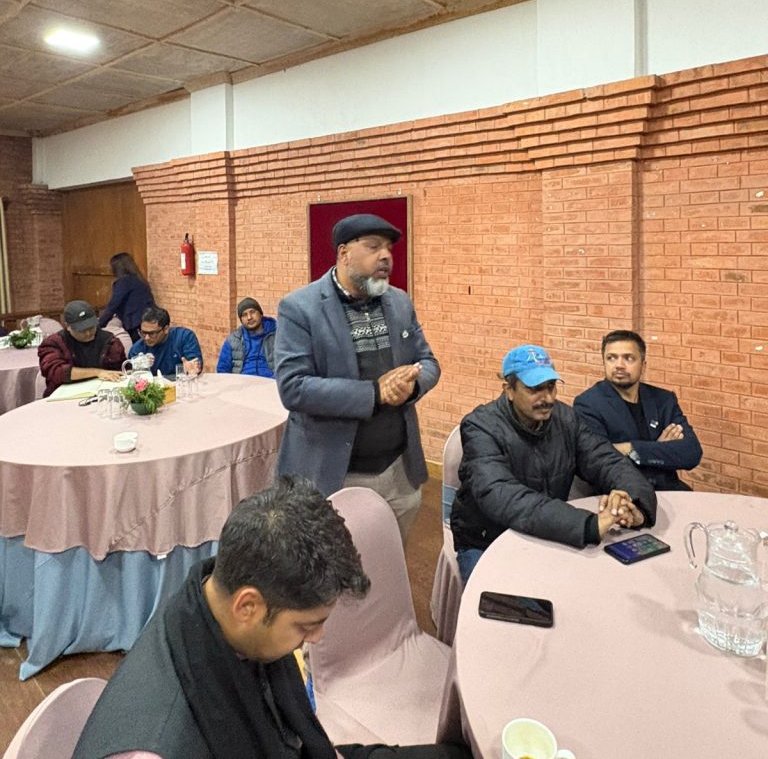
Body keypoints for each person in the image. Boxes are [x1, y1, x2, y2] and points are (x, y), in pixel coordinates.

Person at [72, 477, 471, 759]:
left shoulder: (211, 601)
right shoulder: (160, 745)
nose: (316, 638)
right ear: (248, 606)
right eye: (307, 625)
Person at [275, 213, 440, 544]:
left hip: (399, 472)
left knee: (390, 560)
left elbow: (429, 362)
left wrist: (412, 387)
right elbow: (293, 388)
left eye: (389, 248)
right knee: (335, 568)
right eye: (373, 247)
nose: (386, 256)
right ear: (344, 253)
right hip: (335, 475)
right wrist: (374, 393)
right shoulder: (300, 308)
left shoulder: (399, 302)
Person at [450, 344, 657, 584]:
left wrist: (635, 505)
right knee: (509, 604)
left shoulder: (566, 418)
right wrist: (586, 525)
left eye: (551, 387)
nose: (547, 398)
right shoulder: (480, 426)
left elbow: (606, 460)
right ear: (509, 390)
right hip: (486, 540)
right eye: (535, 389)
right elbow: (500, 494)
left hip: (546, 532)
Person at [573, 330, 702, 491]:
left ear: (643, 365)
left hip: (669, 491)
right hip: (622, 495)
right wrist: (659, 449)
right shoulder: (588, 404)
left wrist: (630, 449)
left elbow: (691, 452)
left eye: (629, 358)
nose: (619, 365)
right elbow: (596, 463)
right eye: (611, 358)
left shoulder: (664, 400)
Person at [38, 299, 125, 397]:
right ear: (68, 326)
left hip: (103, 395)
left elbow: (121, 369)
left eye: (91, 327)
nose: (88, 333)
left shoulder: (109, 341)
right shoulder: (54, 343)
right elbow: (56, 372)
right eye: (81, 330)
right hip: (64, 397)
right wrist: (97, 372)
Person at [128, 305, 203, 379]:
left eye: (152, 333)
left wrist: (193, 368)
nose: (146, 338)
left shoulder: (184, 337)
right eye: (143, 333)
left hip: (181, 383)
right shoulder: (137, 350)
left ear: (166, 329)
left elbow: (195, 366)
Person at [97, 252, 156, 343]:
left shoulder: (124, 282)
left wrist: (99, 325)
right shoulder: (139, 279)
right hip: (148, 319)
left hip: (136, 322)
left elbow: (113, 305)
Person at [216, 298, 276, 378]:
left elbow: (288, 364)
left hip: (271, 381)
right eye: (244, 315)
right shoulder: (233, 340)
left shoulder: (277, 335)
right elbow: (222, 369)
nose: (249, 317)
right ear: (241, 320)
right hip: (242, 382)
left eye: (252, 312)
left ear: (261, 314)